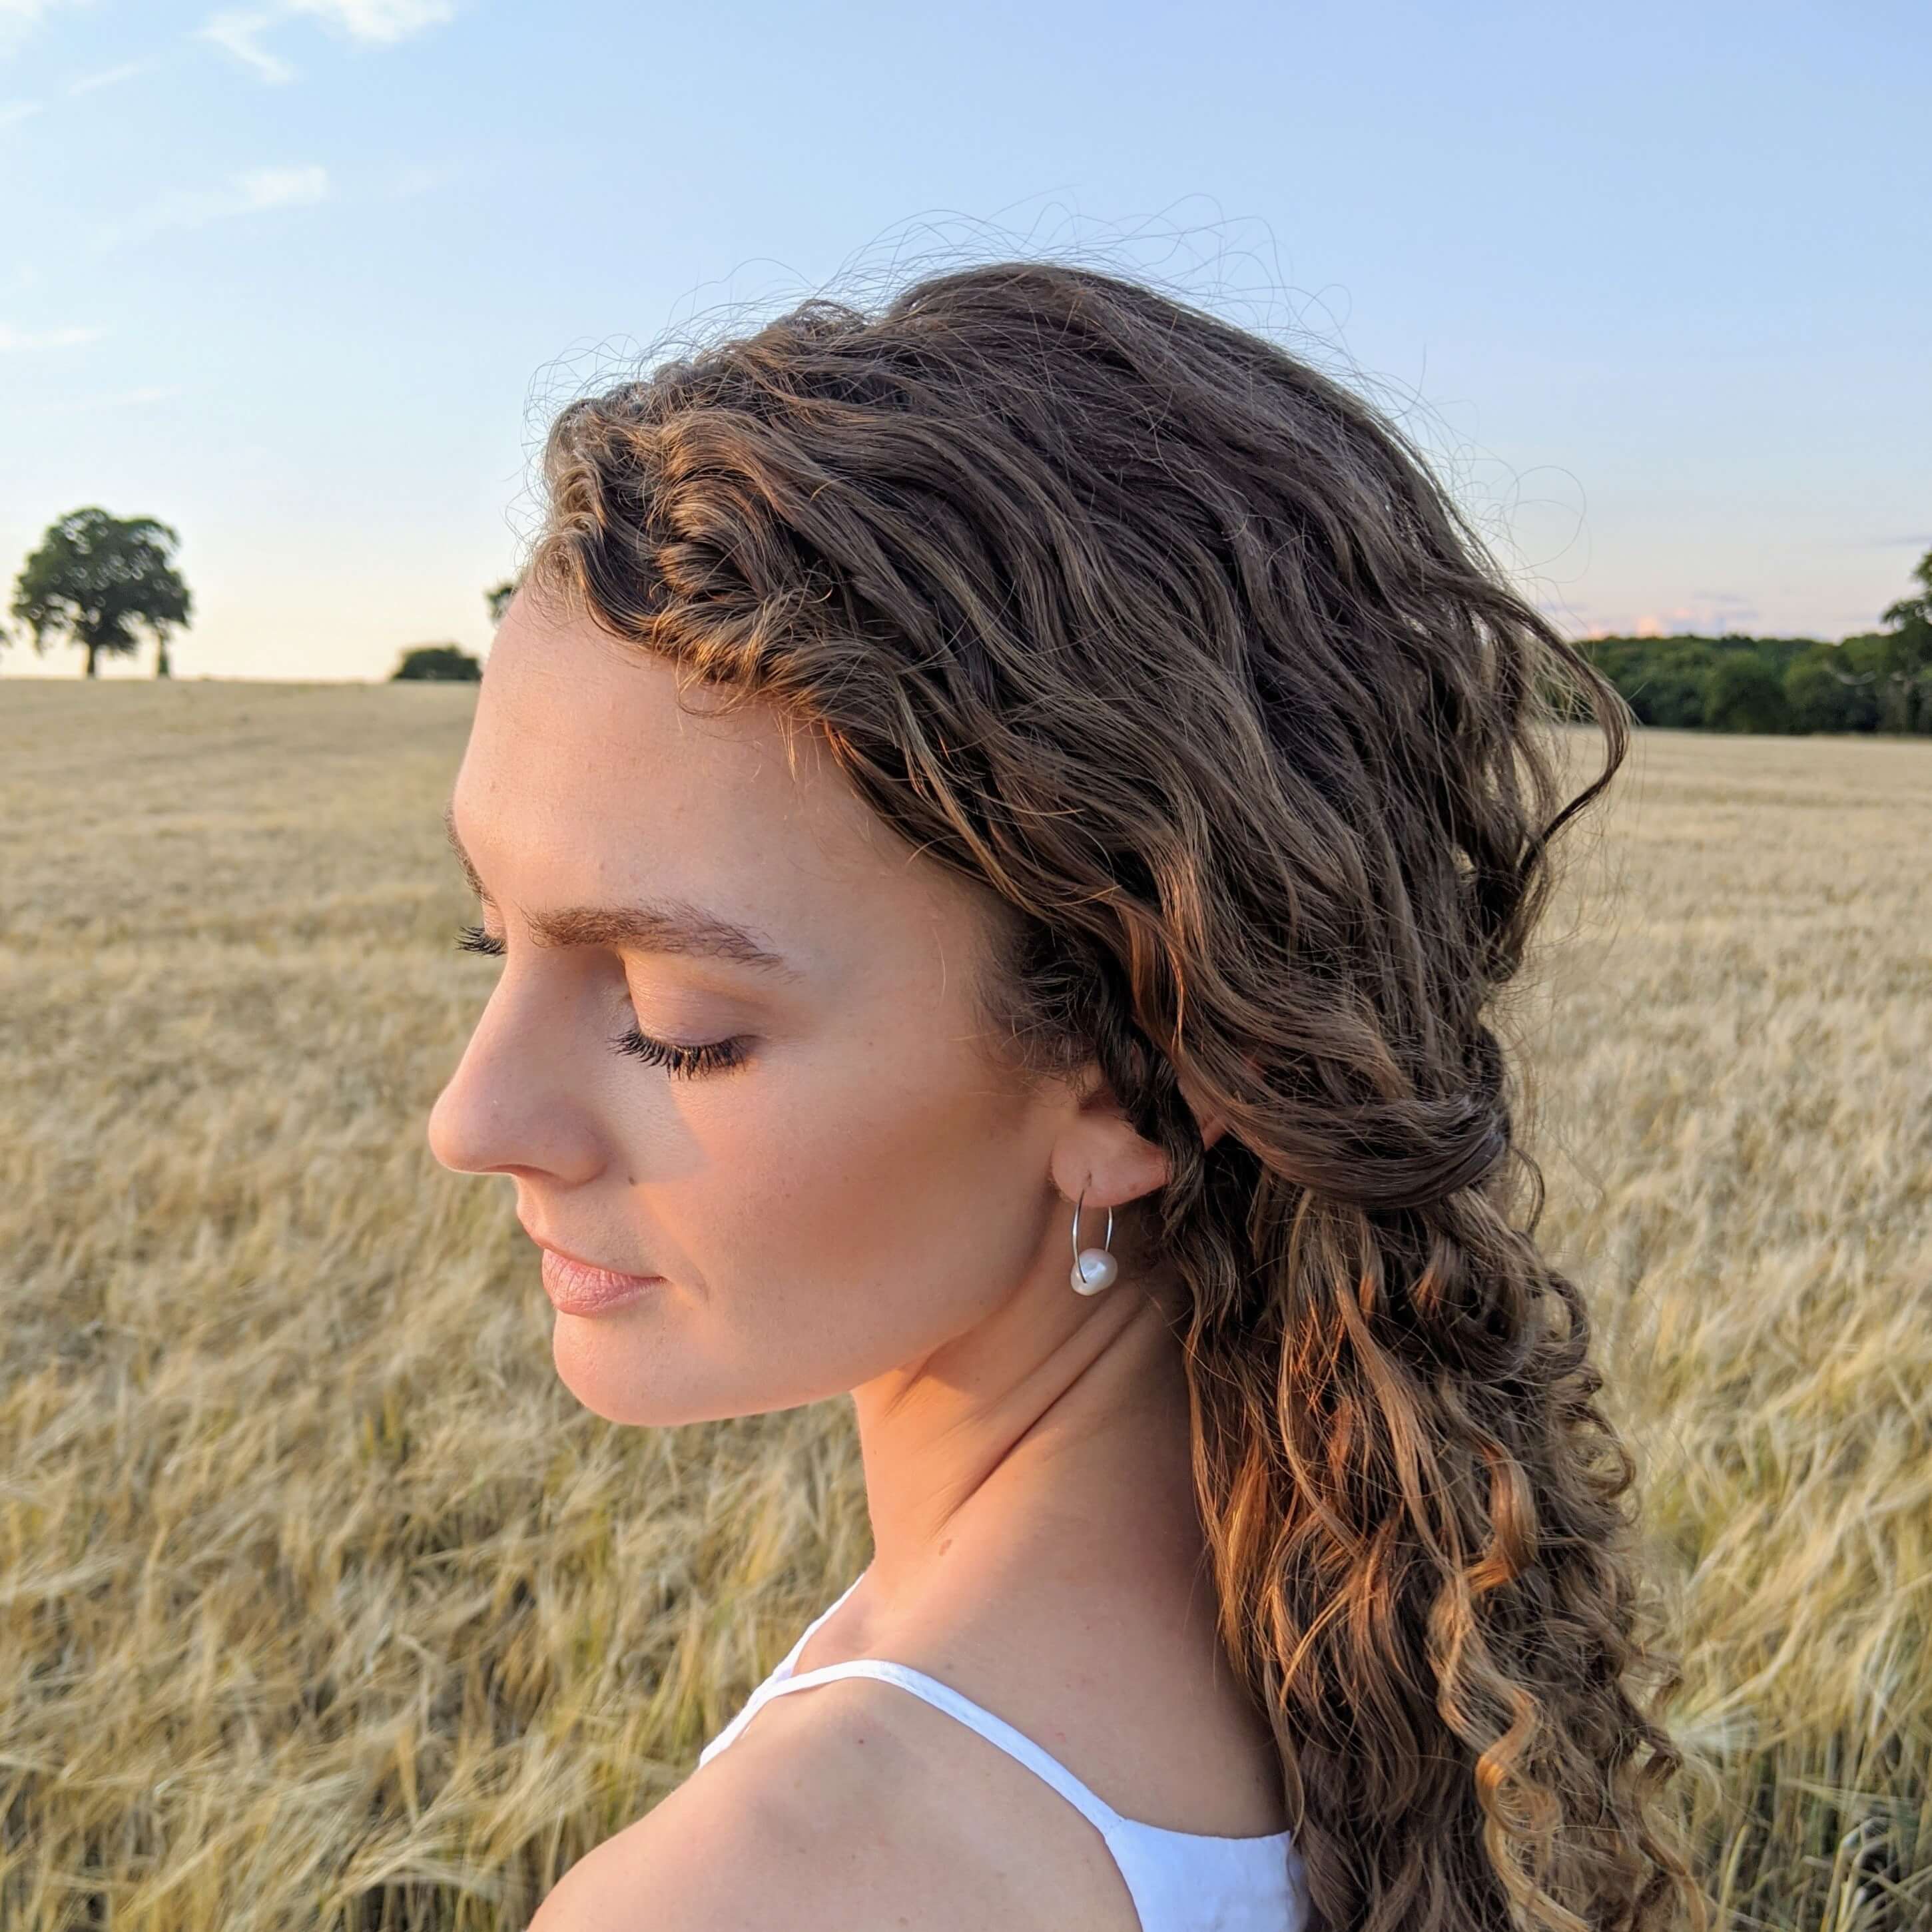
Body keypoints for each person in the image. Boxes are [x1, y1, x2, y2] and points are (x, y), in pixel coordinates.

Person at [427, 261, 1708, 1932]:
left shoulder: (765, 1891)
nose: (473, 1114)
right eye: (488, 934)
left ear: (1139, 1080)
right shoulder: (1343, 1623)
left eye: (673, 1019)